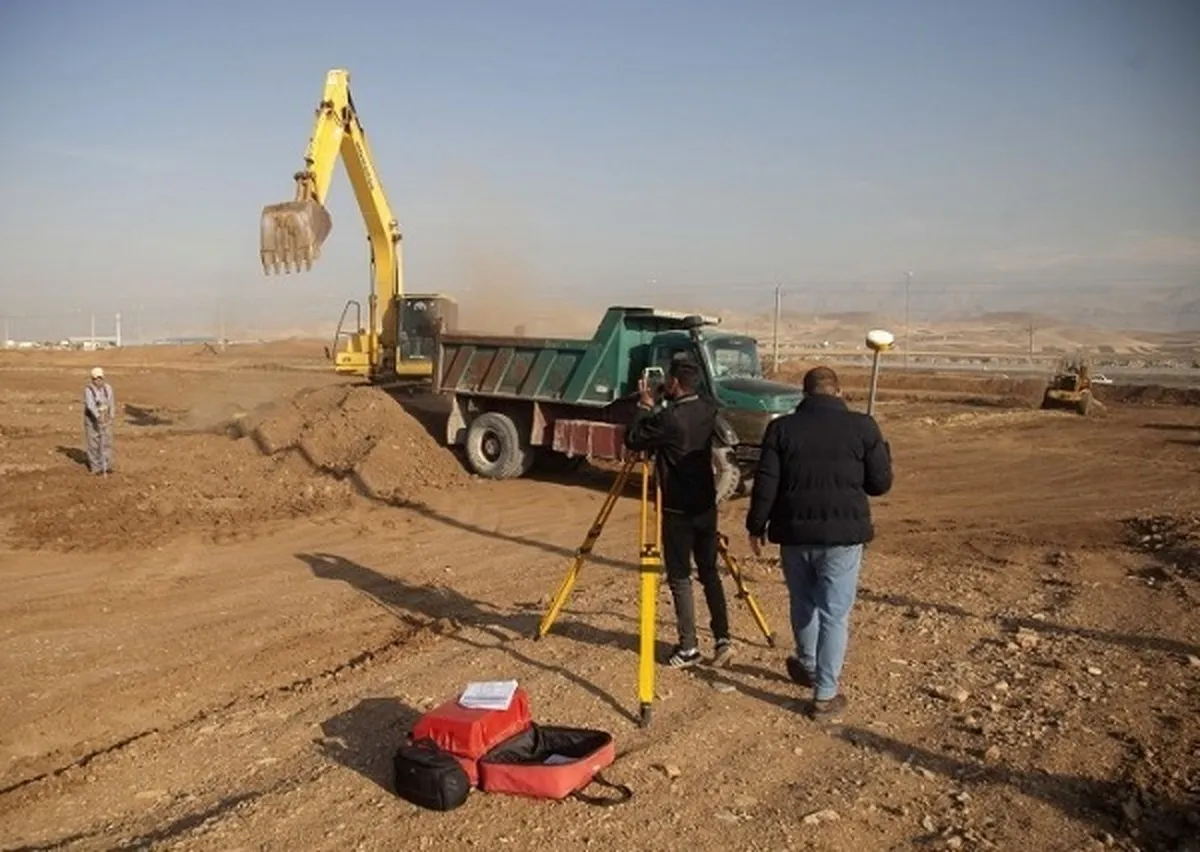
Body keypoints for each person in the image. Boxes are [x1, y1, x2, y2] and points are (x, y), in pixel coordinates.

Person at [745, 365, 893, 721]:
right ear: (838, 392)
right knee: (834, 613)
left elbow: (766, 482)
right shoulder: (863, 427)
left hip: (794, 535)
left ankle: (808, 663)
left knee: (803, 601)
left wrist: (755, 526)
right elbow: (880, 484)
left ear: (805, 394)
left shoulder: (781, 429)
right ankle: (824, 695)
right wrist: (880, 450)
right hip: (842, 538)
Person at [625, 357, 734, 668]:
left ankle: (688, 647)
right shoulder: (708, 408)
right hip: (705, 505)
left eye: (668, 382)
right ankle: (723, 638)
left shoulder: (670, 418)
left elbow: (633, 438)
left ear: (673, 383)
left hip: (678, 508)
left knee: (680, 577)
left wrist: (646, 405)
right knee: (709, 571)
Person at [83, 366, 115, 474]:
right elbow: (90, 405)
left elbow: (111, 402)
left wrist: (110, 416)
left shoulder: (108, 388)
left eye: (100, 378)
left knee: (106, 441)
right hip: (92, 418)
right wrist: (97, 416)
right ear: (92, 379)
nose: (98, 381)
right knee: (94, 442)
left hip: (104, 417)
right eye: (96, 379)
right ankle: (96, 467)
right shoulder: (89, 390)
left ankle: (106, 464)